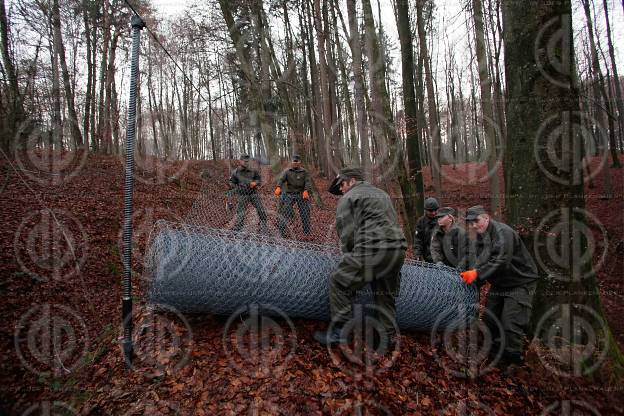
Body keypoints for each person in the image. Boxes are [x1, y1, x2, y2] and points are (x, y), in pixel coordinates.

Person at [314, 168, 407, 348]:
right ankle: (387, 338)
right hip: (397, 250)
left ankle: (340, 332)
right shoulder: (382, 194)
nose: (340, 189)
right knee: (384, 294)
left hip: (372, 249)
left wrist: (349, 261)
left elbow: (347, 234)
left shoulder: (349, 198)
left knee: (339, 282)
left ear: (353, 180)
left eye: (342, 184)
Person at [460, 205, 539, 370]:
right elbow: (479, 261)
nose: (474, 225)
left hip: (520, 281)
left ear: (486, 217)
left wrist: (476, 274)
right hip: (500, 283)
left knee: (510, 322)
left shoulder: (504, 233)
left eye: (477, 221)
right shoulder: (480, 237)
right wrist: (471, 282)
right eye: (471, 223)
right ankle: (494, 355)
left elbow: (501, 262)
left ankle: (513, 361)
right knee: (489, 319)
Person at [275, 155, 313, 237]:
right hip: (290, 194)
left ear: (300, 162)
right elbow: (281, 179)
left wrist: (306, 190)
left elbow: (308, 182)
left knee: (305, 213)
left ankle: (306, 232)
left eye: (297, 161)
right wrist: (278, 187)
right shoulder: (287, 171)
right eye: (294, 161)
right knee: (285, 212)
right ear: (291, 162)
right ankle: (281, 231)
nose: (295, 163)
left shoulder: (304, 172)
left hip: (301, 195)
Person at [229, 155, 268, 233]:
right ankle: (238, 227)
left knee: (260, 209)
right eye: (244, 161)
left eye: (247, 161)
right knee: (241, 211)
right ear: (240, 161)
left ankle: (263, 224)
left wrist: (255, 183)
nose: (246, 162)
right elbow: (231, 182)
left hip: (253, 193)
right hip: (242, 194)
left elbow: (259, 180)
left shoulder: (253, 170)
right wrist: (238, 186)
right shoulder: (236, 172)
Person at [413, 197, 440, 262]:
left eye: (435, 210)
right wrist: (417, 254)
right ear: (426, 210)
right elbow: (418, 240)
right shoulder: (421, 222)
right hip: (428, 258)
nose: (433, 213)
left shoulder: (442, 220)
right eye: (430, 211)